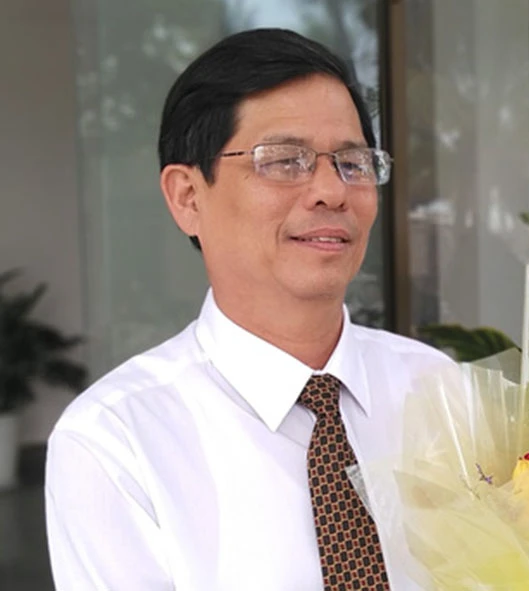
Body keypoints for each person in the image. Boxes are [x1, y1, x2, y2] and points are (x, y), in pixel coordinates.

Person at [45, 28, 449, 590]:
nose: (332, 191)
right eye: (284, 161)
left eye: (353, 163)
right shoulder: (115, 441)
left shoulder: (439, 390)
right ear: (188, 197)